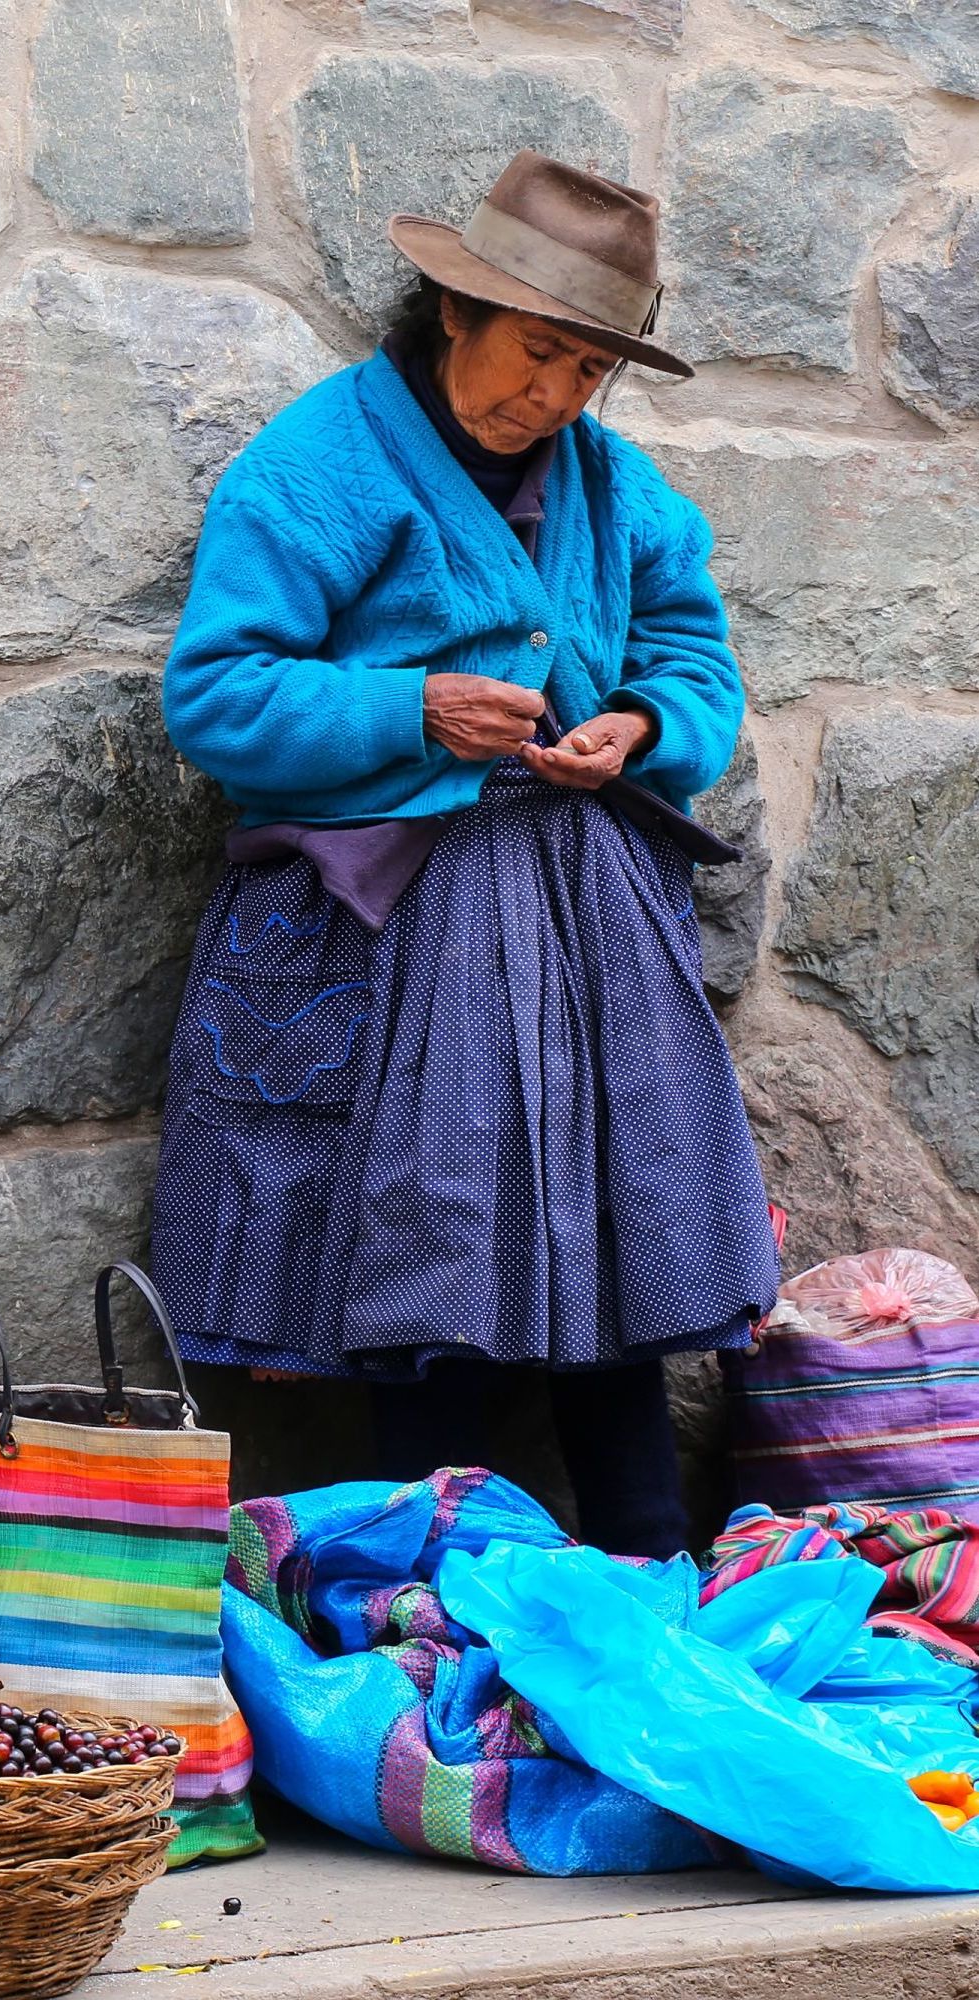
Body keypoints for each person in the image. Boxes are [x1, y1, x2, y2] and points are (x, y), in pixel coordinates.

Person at [151, 152, 779, 1557]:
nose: (550, 394)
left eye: (585, 370)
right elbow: (214, 694)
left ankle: (644, 1578)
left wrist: (636, 724)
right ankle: (430, 1603)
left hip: (583, 917)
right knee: (429, 1240)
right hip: (395, 925)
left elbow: (693, 657)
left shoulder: (616, 489)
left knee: (613, 1235)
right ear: (453, 309)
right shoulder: (317, 467)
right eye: (533, 351)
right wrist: (409, 707)